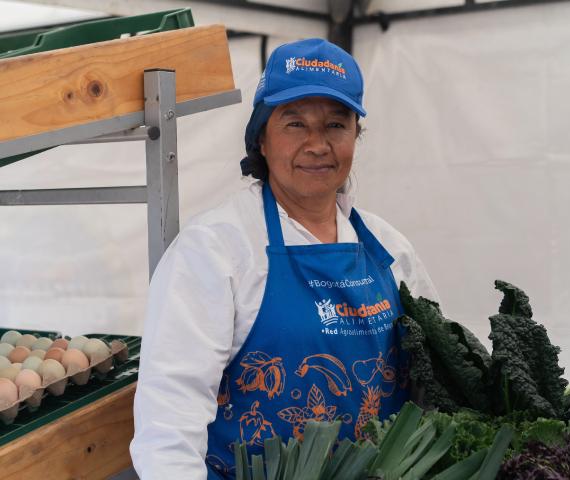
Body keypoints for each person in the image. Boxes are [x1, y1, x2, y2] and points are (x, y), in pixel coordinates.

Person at [130, 38, 439, 479]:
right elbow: (169, 417)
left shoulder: (390, 249)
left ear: (356, 135)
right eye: (295, 124)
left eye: (336, 125)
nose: (317, 144)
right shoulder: (215, 249)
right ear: (261, 137)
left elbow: (434, 384)